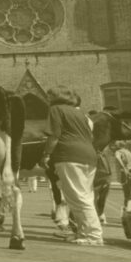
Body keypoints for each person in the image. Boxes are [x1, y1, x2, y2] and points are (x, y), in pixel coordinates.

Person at [40, 86, 103, 246]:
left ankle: (94, 236)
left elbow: (54, 135)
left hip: (69, 155)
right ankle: (83, 232)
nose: (47, 99)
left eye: (49, 95)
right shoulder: (81, 113)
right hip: (89, 155)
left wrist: (46, 154)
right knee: (84, 196)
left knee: (77, 197)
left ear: (55, 97)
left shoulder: (56, 109)